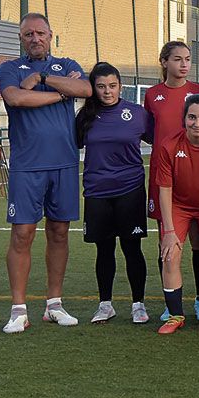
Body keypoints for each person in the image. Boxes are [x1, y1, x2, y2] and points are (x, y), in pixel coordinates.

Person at [0, 13, 91, 333]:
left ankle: (54, 305)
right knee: (22, 234)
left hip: (64, 163)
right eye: (28, 35)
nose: (35, 38)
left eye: (40, 33)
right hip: (27, 166)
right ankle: (18, 310)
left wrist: (44, 80)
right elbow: (16, 97)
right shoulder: (10, 68)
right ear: (21, 39)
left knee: (59, 232)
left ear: (51, 35)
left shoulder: (65, 63)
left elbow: (85, 89)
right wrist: (61, 93)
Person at [75, 62, 151, 325]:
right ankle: (105, 304)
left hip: (130, 190)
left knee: (132, 248)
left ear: (121, 86)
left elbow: (161, 139)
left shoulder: (138, 113)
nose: (107, 91)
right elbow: (72, 143)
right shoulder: (85, 117)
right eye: (101, 86)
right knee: (104, 250)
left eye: (112, 86)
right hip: (97, 191)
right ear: (93, 88)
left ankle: (138, 305)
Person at [151, 95, 199, 334]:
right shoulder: (169, 145)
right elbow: (165, 190)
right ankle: (175, 316)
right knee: (169, 255)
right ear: (184, 118)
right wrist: (169, 231)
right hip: (178, 206)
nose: (198, 123)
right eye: (192, 117)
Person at [144, 41, 199, 321]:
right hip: (165, 175)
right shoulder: (152, 95)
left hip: (196, 174)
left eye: (187, 59)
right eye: (177, 59)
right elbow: (149, 133)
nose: (183, 64)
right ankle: (171, 302)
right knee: (168, 242)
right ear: (164, 62)